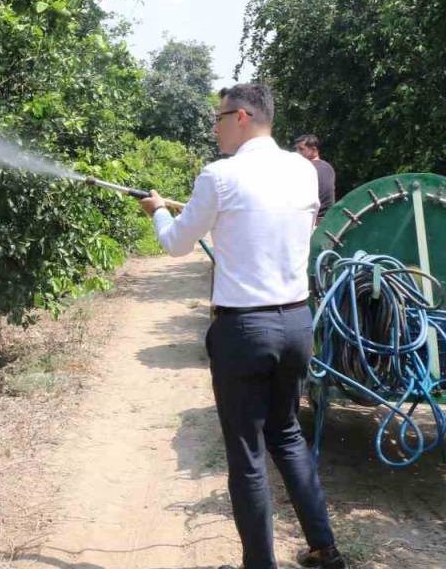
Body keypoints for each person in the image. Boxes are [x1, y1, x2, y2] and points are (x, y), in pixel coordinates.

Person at [139, 84, 347, 569]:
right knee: (287, 434)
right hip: (296, 324)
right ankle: (325, 550)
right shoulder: (303, 171)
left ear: (241, 117)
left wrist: (159, 212)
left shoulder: (219, 175)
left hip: (244, 331)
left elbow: (176, 244)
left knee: (247, 454)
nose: (214, 128)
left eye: (218, 118)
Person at [293, 134, 335, 222]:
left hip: (311, 220)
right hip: (328, 219)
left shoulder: (305, 168)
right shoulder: (328, 167)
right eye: (296, 149)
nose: (297, 153)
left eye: (301, 149)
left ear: (314, 150)